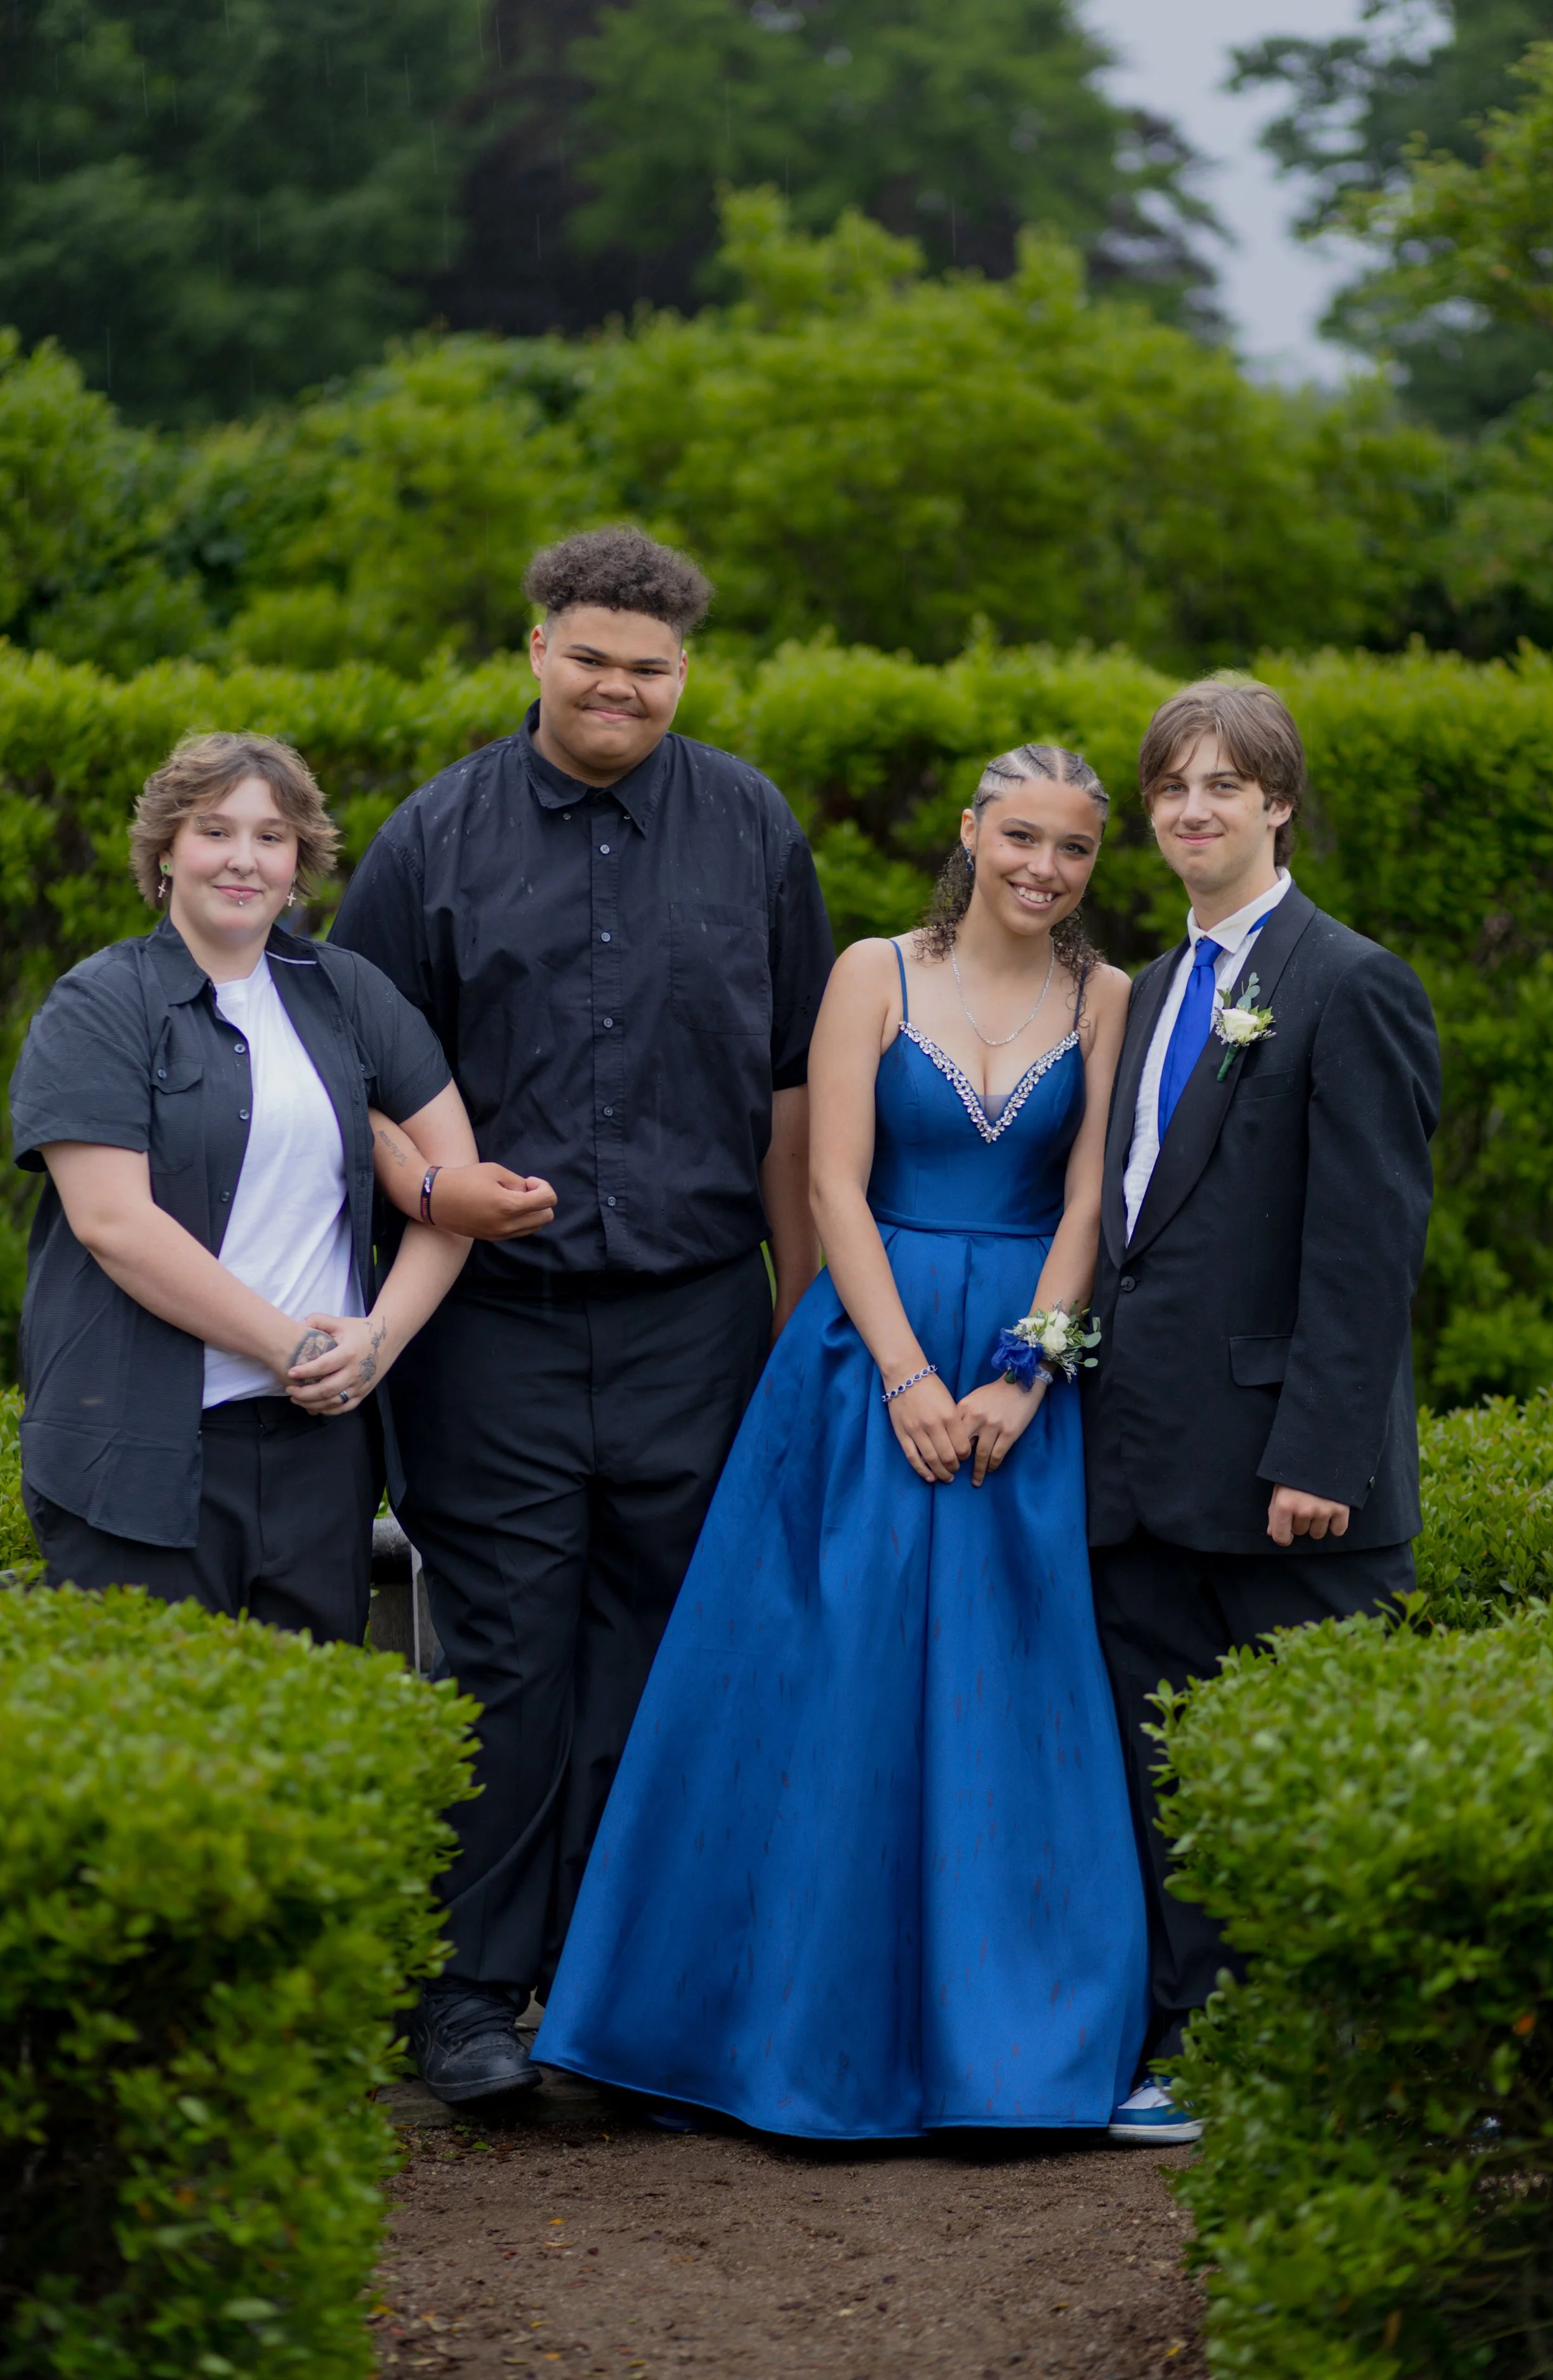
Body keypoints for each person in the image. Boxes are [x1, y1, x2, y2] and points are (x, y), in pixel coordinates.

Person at [534, 744, 1151, 2141]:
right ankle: (773, 2037)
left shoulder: (1106, 996)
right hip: (863, 1358)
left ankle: (1011, 2054)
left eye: (1070, 849)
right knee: (831, 1680)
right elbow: (829, 1181)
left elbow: (1081, 1209)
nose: (1043, 868)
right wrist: (903, 1377)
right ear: (969, 832)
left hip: (1017, 1375)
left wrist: (1023, 1378)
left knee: (1014, 1692)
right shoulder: (873, 968)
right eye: (1019, 838)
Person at [329, 526, 835, 2105]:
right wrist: (430, 1198)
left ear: (683, 672)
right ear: (535, 651)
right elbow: (357, 1077)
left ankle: (630, 2009)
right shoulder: (432, 839)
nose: (619, 686)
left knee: (671, 1654)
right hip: (493, 1325)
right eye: (592, 656)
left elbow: (795, 1097)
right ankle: (471, 2002)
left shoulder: (751, 824)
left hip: (697, 1316)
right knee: (500, 1657)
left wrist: (800, 1322)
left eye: (650, 666)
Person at [1082, 678, 1441, 2145]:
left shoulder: (1347, 981)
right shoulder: (1152, 989)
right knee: (1165, 1776)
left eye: (1225, 785)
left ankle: (1383, 2067)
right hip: (1141, 1471)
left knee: (1319, 1792)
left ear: (1277, 804)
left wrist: (1317, 1457)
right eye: (1171, 786)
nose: (1191, 810)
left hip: (1288, 1480)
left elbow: (1366, 1248)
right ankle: (1195, 2045)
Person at [8, 731, 553, 1641]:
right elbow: (113, 1223)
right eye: (214, 831)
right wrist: (294, 1347)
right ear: (166, 852)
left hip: (317, 1456)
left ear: (299, 859)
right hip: (136, 1454)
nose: (242, 859)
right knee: (157, 1742)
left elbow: (452, 1193)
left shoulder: (351, 994)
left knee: (303, 1747)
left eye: (270, 836)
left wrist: (378, 1339)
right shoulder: (99, 1005)